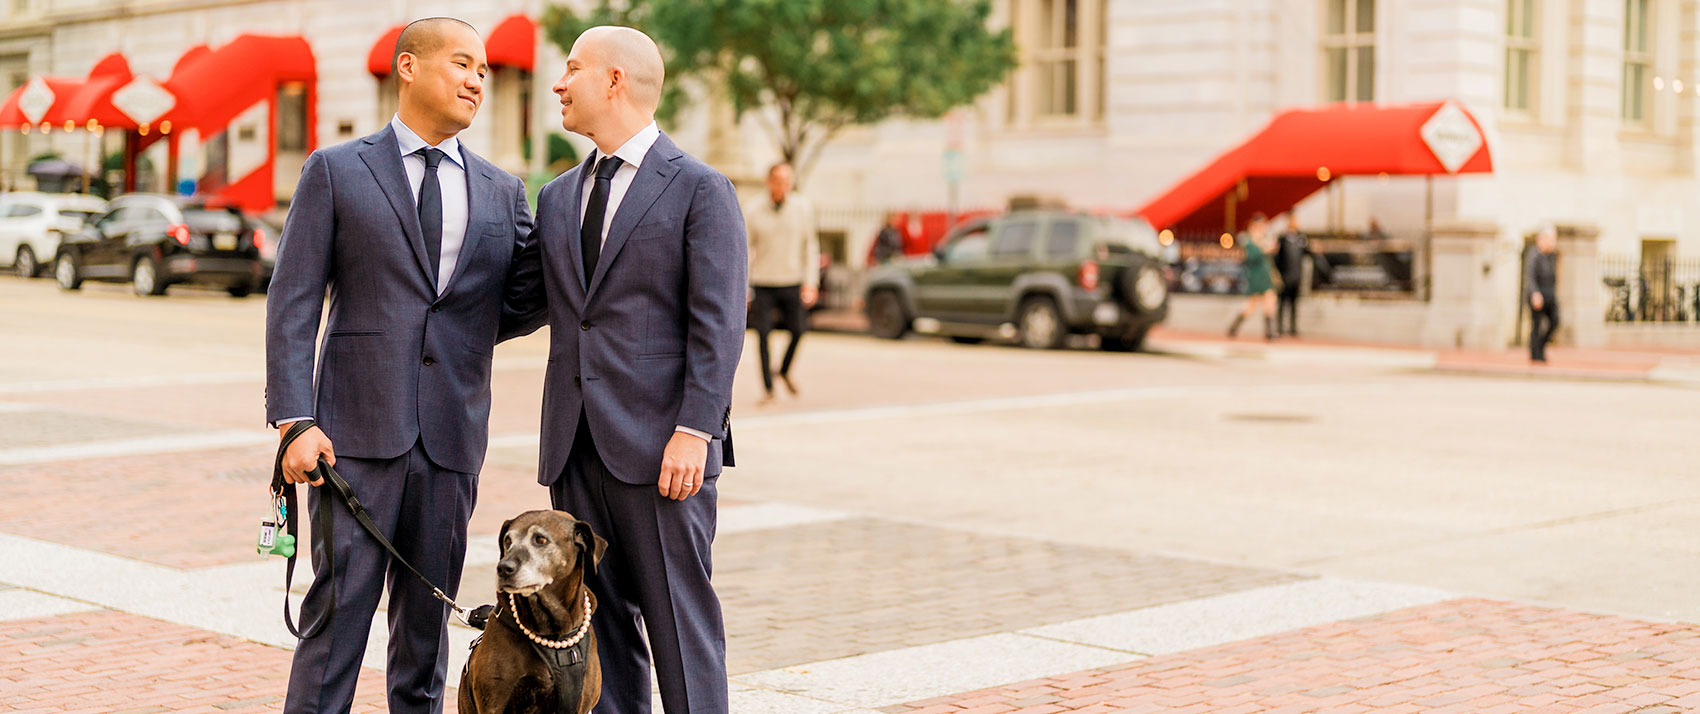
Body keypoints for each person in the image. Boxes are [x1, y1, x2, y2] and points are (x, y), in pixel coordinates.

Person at [266, 18, 534, 714]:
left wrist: (464, 339)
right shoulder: (336, 170)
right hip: (353, 438)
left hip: (451, 440)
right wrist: (296, 420)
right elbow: (293, 301)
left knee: (425, 634)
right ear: (408, 66)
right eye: (462, 63)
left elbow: (524, 296)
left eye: (484, 69)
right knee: (338, 617)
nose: (478, 78)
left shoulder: (505, 191)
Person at [501, 26, 745, 714]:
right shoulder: (556, 197)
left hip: (664, 451)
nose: (558, 82)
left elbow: (719, 325)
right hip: (574, 449)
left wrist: (696, 430)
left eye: (571, 68)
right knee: (595, 636)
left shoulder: (700, 189)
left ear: (614, 81)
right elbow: (522, 306)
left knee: (679, 627)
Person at [745, 162, 819, 403]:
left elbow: (810, 247)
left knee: (798, 330)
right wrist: (744, 286)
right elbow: (745, 249)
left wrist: (811, 282)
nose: (782, 186)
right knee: (763, 335)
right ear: (769, 182)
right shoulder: (754, 209)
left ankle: (785, 371)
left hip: (792, 280)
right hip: (763, 282)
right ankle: (768, 388)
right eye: (778, 181)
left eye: (787, 182)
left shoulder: (803, 208)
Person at [1227, 212, 1277, 341]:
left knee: (1270, 299)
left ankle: (1269, 332)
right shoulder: (1247, 239)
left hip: (1265, 275)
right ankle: (1234, 327)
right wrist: (1263, 250)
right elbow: (1250, 257)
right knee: (1252, 305)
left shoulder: (1264, 238)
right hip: (1255, 275)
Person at [1274, 213, 1314, 337]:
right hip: (1284, 275)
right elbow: (1277, 257)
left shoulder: (1301, 238)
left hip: (1296, 276)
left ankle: (1293, 327)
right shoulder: (1282, 238)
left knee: (1294, 303)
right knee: (1282, 302)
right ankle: (1279, 326)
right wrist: (1278, 273)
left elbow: (1308, 252)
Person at [1526, 224, 1560, 363]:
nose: (1552, 242)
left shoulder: (1551, 256)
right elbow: (1530, 277)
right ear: (1542, 239)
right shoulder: (1534, 255)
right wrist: (1534, 293)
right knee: (1537, 325)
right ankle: (1535, 353)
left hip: (1550, 294)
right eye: (1550, 239)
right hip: (1538, 295)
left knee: (1555, 321)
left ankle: (1540, 346)